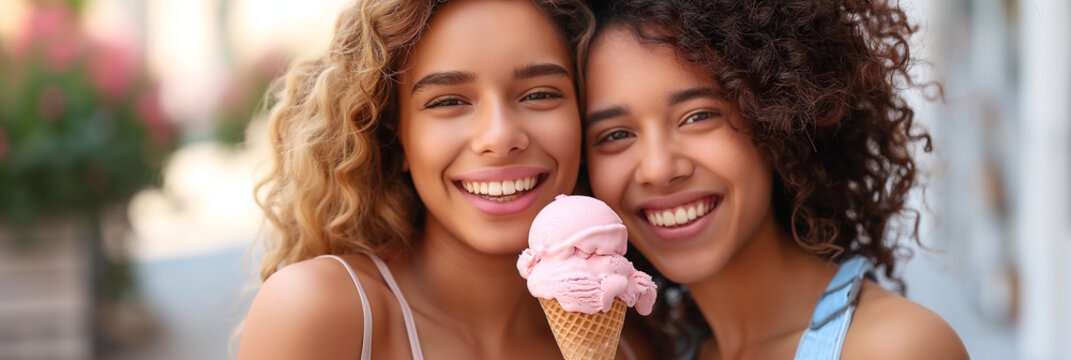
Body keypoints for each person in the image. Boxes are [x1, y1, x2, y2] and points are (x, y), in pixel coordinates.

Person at [234, 1, 637, 359]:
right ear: (395, 137)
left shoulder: (633, 334)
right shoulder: (318, 312)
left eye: (539, 94)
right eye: (448, 101)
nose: (499, 138)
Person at [581, 1, 970, 359]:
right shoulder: (657, 350)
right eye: (616, 135)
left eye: (698, 116)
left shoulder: (892, 347)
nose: (658, 169)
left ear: (775, 115)